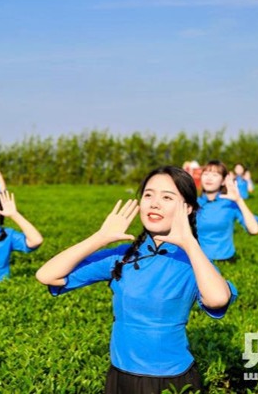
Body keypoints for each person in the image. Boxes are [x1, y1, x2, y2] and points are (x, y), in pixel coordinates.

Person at [36, 166, 237, 394]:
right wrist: (100, 238)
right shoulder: (122, 256)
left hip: (172, 378)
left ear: (187, 208)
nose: (154, 203)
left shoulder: (192, 261)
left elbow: (218, 299)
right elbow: (47, 275)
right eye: (148, 195)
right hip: (121, 377)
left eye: (167, 197)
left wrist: (189, 243)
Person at [197, 160, 258, 262]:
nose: (209, 178)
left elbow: (254, 230)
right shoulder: (193, 203)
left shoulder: (230, 203)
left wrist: (239, 200)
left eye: (215, 175)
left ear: (223, 181)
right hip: (199, 261)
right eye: (206, 174)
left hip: (226, 261)